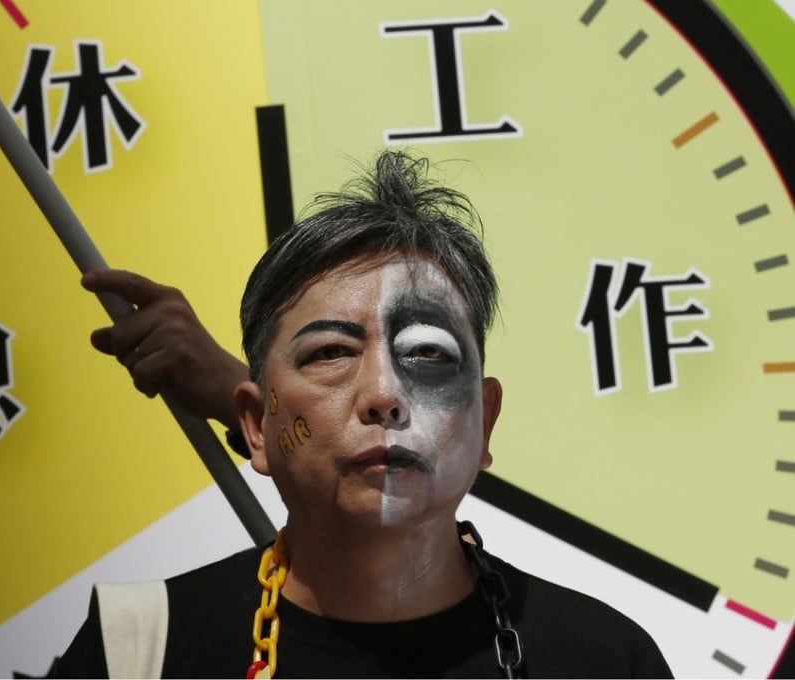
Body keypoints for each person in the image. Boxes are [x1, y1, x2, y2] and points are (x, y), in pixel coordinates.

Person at [53, 149, 672, 678]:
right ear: (253, 426)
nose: (383, 393)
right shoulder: (137, 651)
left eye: (428, 352)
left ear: (485, 420)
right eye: (330, 352)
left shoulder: (606, 660)